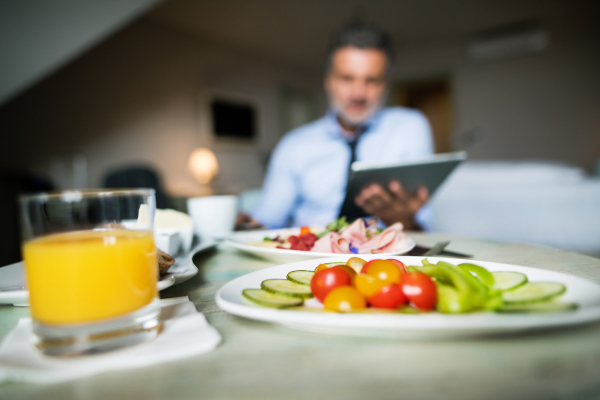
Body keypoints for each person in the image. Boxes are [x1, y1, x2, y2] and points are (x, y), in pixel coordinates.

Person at [246, 22, 434, 230]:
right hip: (310, 258)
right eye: (347, 78)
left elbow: (424, 226)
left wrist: (404, 221)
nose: (358, 94)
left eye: (371, 80)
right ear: (329, 81)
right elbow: (268, 220)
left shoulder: (410, 127)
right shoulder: (293, 145)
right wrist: (244, 225)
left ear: (385, 85)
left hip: (386, 257)